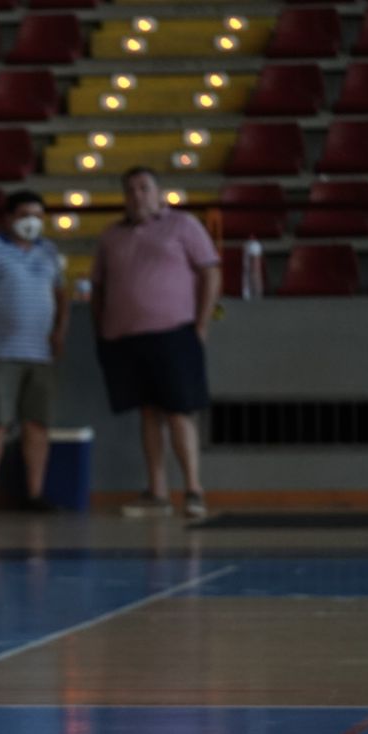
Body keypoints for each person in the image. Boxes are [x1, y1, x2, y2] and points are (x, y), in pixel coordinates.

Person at [90, 166, 221, 520]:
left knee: (179, 411)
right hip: (125, 337)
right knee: (147, 413)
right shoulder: (110, 236)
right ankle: (157, 491)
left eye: (145, 188)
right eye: (130, 189)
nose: (137, 195)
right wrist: (101, 331)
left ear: (159, 192)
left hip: (174, 332)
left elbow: (210, 271)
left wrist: (201, 324)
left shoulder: (184, 225)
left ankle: (193, 489)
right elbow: (98, 288)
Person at [0, 190, 68, 514]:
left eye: (38, 215)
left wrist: (59, 333)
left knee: (37, 424)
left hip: (40, 354)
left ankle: (35, 495)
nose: (32, 222)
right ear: (9, 217)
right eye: (25, 214)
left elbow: (61, 296)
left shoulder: (50, 252)